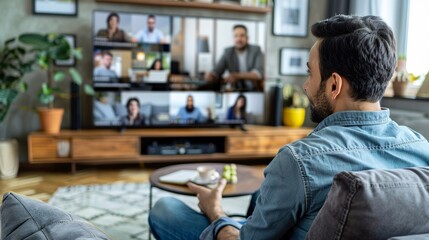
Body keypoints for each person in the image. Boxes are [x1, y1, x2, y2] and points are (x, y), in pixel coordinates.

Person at [149, 15, 429, 239]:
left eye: (310, 73)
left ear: (334, 85)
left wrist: (216, 212)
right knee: (262, 194)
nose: (305, 86)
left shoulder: (298, 162)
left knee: (165, 209)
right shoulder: (421, 148)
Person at [204, 25, 264, 91]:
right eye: (236, 36)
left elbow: (258, 74)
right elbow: (216, 71)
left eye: (242, 36)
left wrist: (236, 75)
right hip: (235, 91)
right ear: (233, 38)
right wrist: (211, 75)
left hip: (255, 91)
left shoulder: (256, 50)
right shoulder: (228, 52)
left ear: (247, 38)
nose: (239, 39)